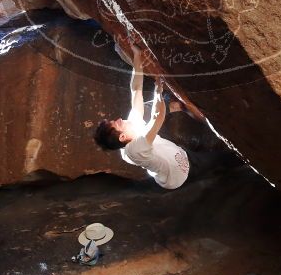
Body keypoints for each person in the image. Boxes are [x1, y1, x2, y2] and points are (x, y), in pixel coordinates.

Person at [93, 45, 237, 189]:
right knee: (221, 160)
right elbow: (158, 117)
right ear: (122, 137)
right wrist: (158, 91)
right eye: (117, 124)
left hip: (176, 154)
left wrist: (137, 56)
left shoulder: (130, 128)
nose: (119, 119)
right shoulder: (135, 149)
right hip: (181, 174)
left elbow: (136, 90)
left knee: (151, 107)